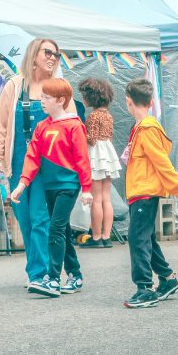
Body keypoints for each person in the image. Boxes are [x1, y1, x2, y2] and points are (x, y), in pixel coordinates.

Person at [0, 38, 72, 289]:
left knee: (40, 217)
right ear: (34, 54)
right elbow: (0, 126)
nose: (53, 58)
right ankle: (39, 272)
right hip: (18, 160)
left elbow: (72, 126)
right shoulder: (14, 86)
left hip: (50, 162)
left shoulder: (60, 87)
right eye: (48, 52)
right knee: (24, 218)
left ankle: (43, 274)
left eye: (57, 55)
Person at [9, 77, 92, 298]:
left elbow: (82, 160)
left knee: (54, 229)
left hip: (68, 186)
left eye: (47, 97)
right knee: (62, 231)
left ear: (61, 100)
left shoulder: (74, 126)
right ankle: (75, 275)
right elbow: (32, 157)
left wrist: (87, 188)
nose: (42, 100)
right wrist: (22, 184)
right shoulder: (41, 127)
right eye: (42, 96)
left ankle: (53, 279)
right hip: (49, 187)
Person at [121, 78, 178, 309]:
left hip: (144, 192)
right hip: (141, 192)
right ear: (151, 102)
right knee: (145, 238)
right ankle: (167, 279)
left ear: (129, 102)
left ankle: (144, 288)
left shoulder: (147, 130)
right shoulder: (144, 128)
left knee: (137, 239)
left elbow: (162, 162)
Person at [77, 78, 120, 249]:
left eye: (85, 95)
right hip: (108, 154)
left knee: (95, 199)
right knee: (106, 199)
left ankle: (95, 237)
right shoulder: (108, 114)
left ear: (92, 97)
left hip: (95, 155)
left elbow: (92, 139)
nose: (83, 99)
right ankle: (106, 236)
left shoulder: (93, 116)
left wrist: (80, 129)